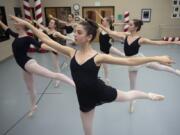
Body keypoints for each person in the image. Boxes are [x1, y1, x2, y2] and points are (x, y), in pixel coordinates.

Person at [11, 15, 173, 135]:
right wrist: (28, 24)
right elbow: (45, 38)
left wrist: (157, 57)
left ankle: (148, 95)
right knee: (87, 132)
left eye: (78, 32)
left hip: (100, 90)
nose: (74, 35)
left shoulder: (98, 57)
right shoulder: (70, 52)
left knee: (128, 95)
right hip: (84, 99)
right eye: (75, 32)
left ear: (88, 37)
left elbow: (130, 62)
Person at [98, 19, 180, 112]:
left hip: (140, 58)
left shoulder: (140, 39)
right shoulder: (125, 36)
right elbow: (109, 31)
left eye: (131, 25)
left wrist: (173, 42)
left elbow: (157, 42)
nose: (128, 26)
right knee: (132, 86)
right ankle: (133, 102)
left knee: (159, 67)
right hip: (131, 63)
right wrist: (97, 24)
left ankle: (176, 71)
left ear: (136, 27)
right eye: (129, 24)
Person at [0, 20, 75, 117]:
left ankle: (75, 84)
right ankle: (33, 106)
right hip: (24, 67)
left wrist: (55, 49)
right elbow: (6, 29)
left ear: (23, 26)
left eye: (17, 22)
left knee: (53, 75)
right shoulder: (17, 35)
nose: (15, 23)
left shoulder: (28, 38)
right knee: (30, 88)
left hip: (29, 64)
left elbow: (41, 45)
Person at [34, 19, 74, 87]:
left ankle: (69, 66)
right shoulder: (47, 30)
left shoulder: (56, 33)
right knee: (56, 65)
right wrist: (35, 22)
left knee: (70, 58)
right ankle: (58, 79)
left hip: (58, 49)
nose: (50, 23)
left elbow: (64, 37)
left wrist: (72, 39)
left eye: (52, 23)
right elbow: (41, 26)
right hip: (52, 50)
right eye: (50, 22)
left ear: (55, 25)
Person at [98, 16, 125, 83]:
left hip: (109, 47)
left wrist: (122, 39)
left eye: (103, 21)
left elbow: (116, 38)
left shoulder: (110, 31)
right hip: (102, 50)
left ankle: (133, 59)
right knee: (105, 66)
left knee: (121, 54)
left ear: (107, 22)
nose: (102, 21)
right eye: (102, 20)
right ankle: (106, 78)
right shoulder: (101, 29)